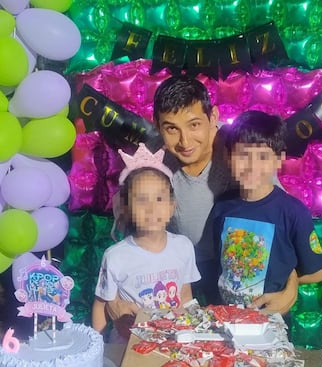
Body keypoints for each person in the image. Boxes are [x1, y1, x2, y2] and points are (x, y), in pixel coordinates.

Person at [106, 75, 299, 325]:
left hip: (234, 273)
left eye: (194, 124)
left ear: (213, 117)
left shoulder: (242, 150)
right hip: (175, 274)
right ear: (158, 126)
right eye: (171, 128)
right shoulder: (151, 159)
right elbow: (130, 233)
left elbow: (278, 221)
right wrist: (115, 297)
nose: (185, 141)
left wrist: (290, 286)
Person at [92, 143, 200, 367]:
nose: (152, 208)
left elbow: (185, 296)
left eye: (160, 198)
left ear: (172, 206)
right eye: (141, 200)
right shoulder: (116, 256)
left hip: (168, 350)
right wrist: (98, 352)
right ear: (127, 208)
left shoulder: (183, 247)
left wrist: (191, 336)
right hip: (127, 352)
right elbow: (101, 305)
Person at [212, 110, 322, 310]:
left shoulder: (293, 212)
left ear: (279, 159)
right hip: (227, 317)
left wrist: (289, 284)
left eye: (263, 157)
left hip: (270, 318)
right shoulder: (222, 206)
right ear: (228, 157)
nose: (252, 166)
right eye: (243, 155)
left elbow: (317, 272)